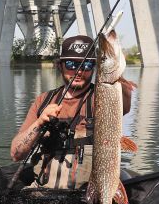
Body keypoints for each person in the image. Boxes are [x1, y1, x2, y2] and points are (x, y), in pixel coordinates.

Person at [10, 35, 131, 189]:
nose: (79, 71)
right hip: (41, 191)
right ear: (60, 65)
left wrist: (116, 64)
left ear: (95, 67)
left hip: (87, 194)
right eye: (71, 64)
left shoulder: (103, 96)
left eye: (86, 64)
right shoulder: (44, 101)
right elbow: (16, 154)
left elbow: (124, 100)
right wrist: (39, 122)